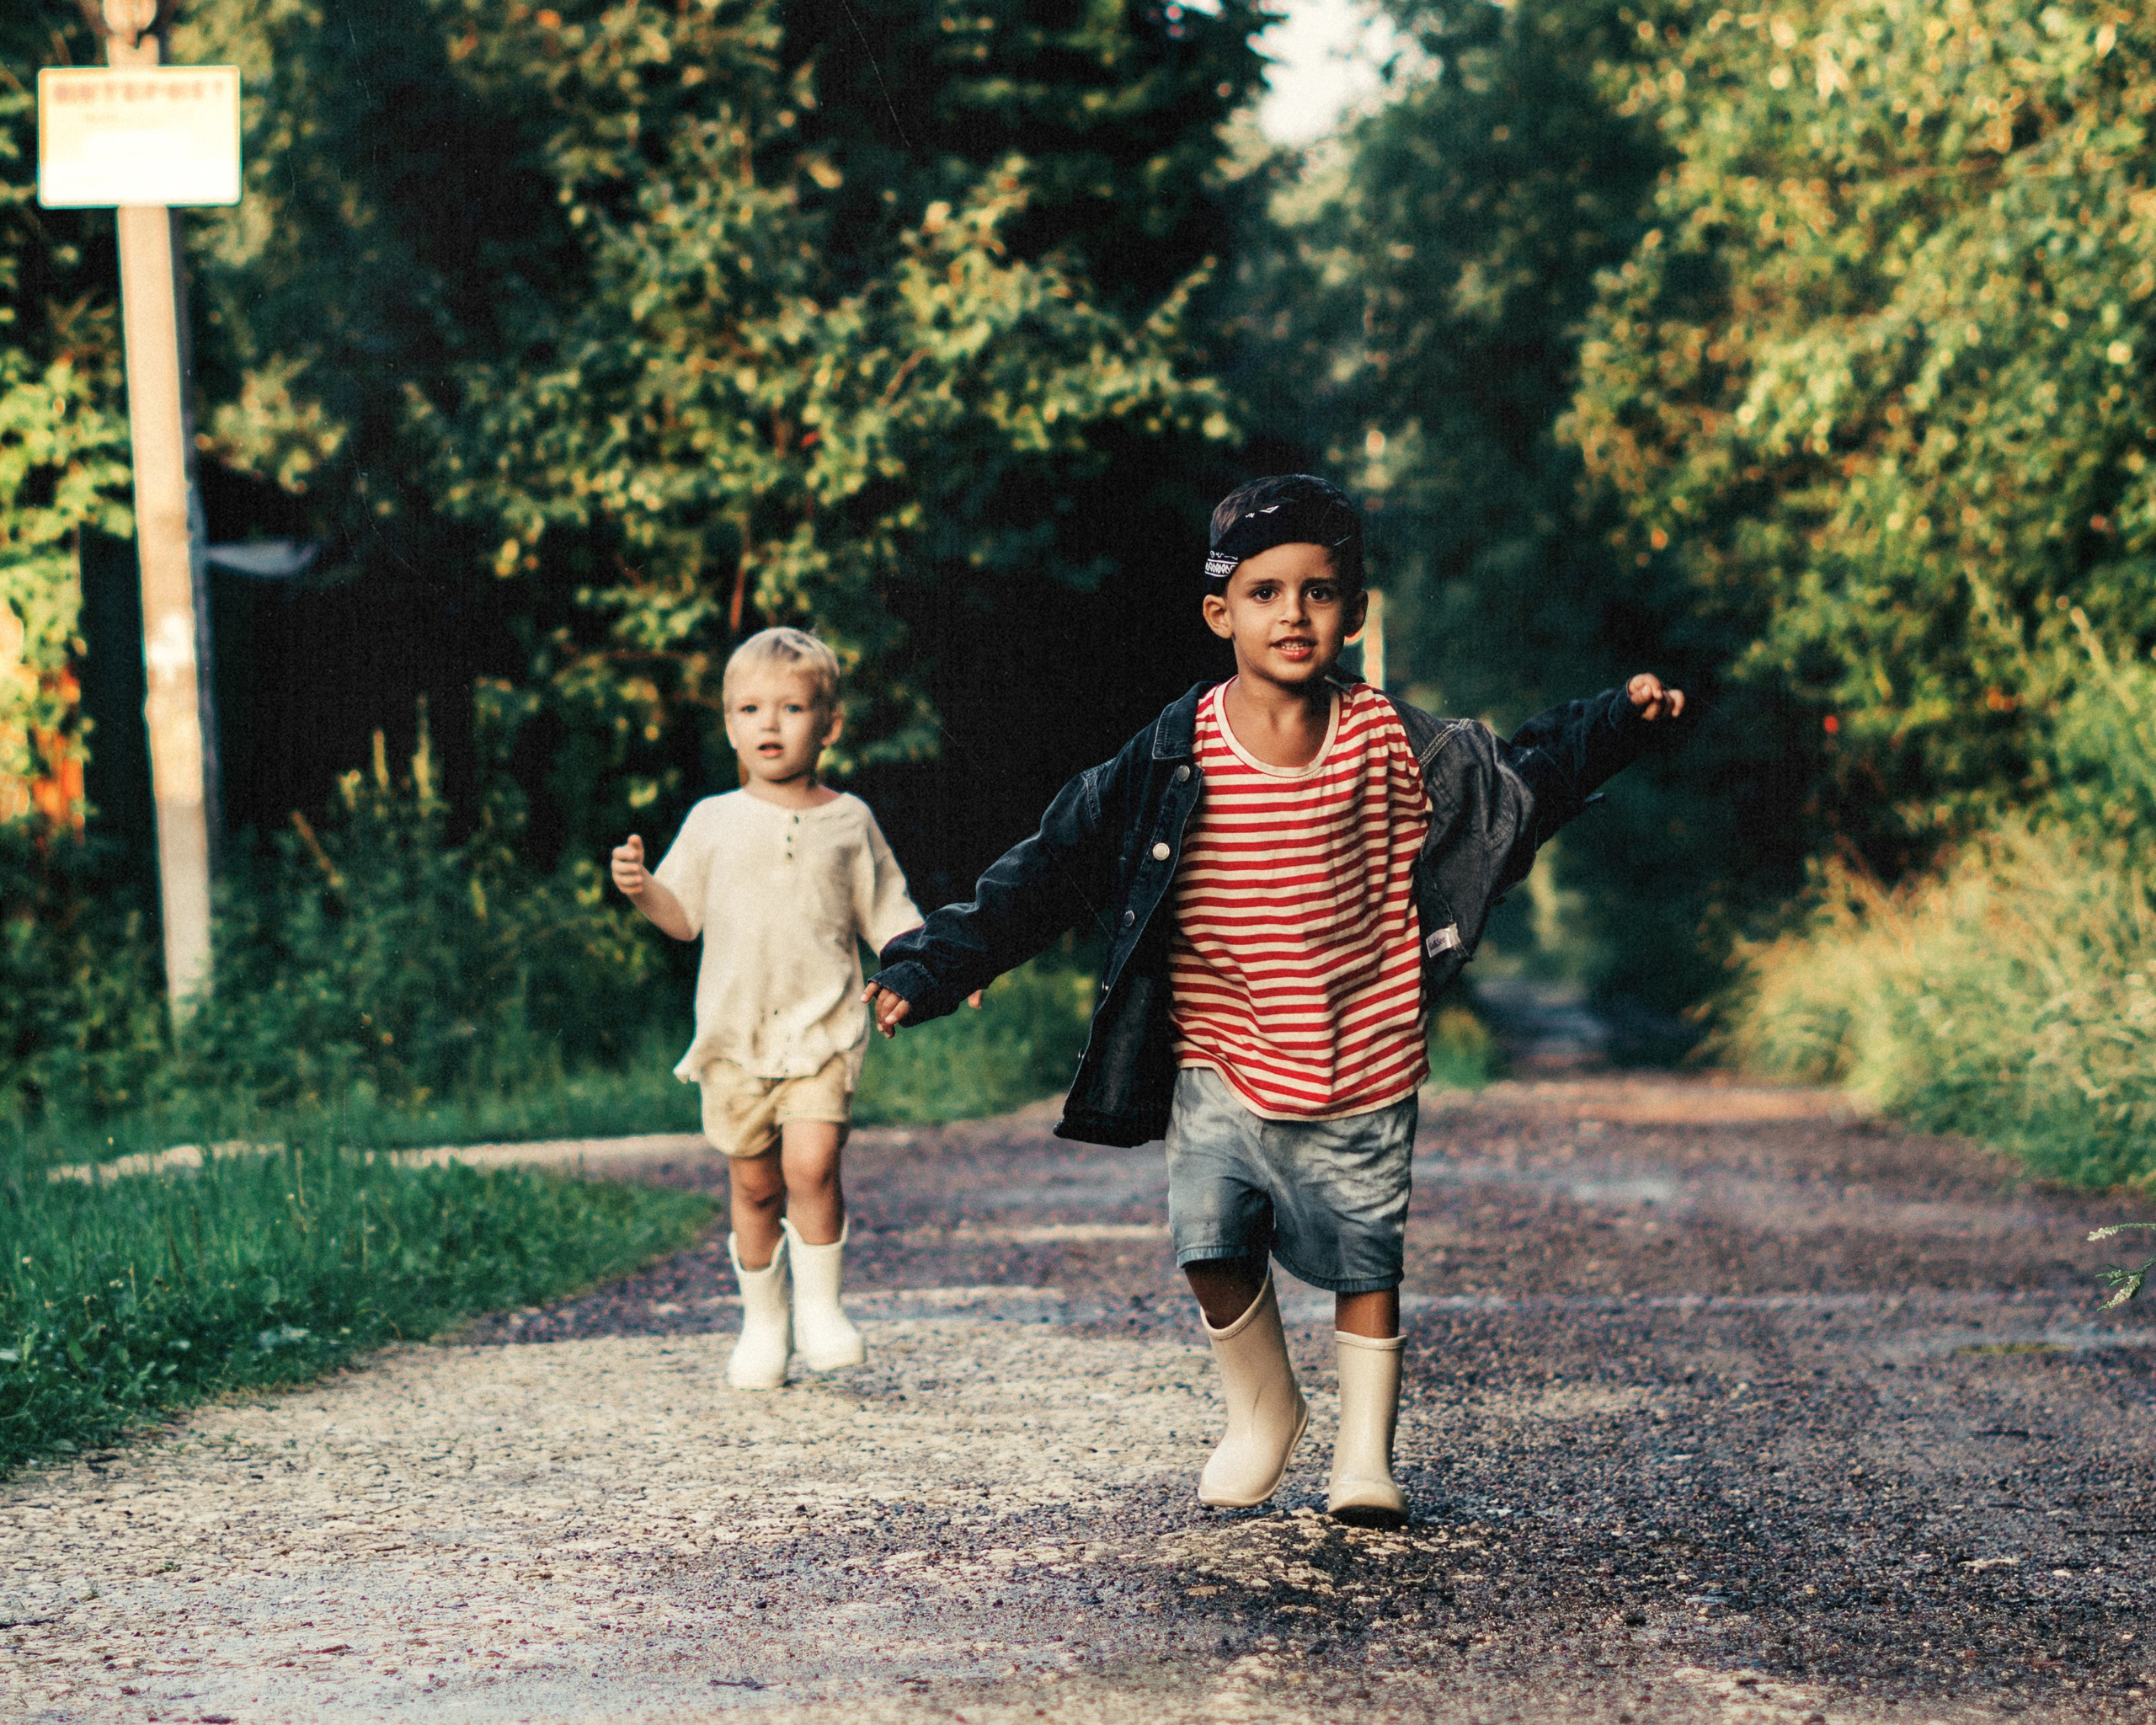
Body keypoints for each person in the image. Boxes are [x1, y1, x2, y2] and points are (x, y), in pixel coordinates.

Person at [862, 474, 1687, 1524]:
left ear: (1354, 609)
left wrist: (1615, 719)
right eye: (1264, 592)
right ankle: (1264, 1410)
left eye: (1319, 591)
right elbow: (1054, 860)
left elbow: (1514, 786)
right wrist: (937, 962)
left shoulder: (1391, 740)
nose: (1292, 614)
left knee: (1362, 1253)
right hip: (1218, 1048)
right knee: (1208, 1241)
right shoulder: (1176, 748)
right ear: (1221, 613)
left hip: (1364, 1045)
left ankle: (1362, 1457)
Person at [611, 627, 926, 1391]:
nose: (770, 724)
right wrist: (641, 886)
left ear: (831, 724)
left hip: (822, 1028)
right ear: (729, 725)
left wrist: (937, 963)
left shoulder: (849, 821)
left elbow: (889, 911)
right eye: (751, 708)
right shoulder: (714, 820)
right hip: (735, 1037)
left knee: (811, 1164)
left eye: (791, 707)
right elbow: (682, 916)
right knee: (753, 1185)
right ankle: (764, 1321)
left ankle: (821, 1310)